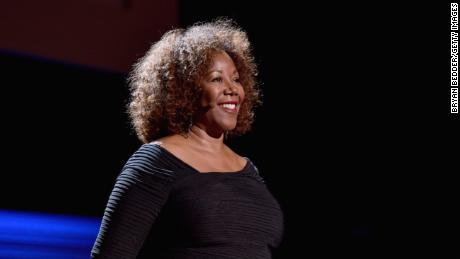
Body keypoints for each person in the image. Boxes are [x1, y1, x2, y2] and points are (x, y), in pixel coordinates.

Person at [91, 19, 284, 258]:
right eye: (216, 79)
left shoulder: (248, 170)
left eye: (235, 79)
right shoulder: (155, 162)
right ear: (185, 90)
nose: (232, 89)